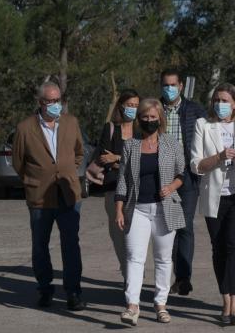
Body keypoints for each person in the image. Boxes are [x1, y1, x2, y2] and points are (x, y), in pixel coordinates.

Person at [190, 83, 235, 324]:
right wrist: (220, 157)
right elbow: (197, 165)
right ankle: (225, 299)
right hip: (215, 196)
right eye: (216, 100)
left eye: (224, 100)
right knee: (219, 248)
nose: (219, 104)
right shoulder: (203, 125)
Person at [12, 81, 86, 310]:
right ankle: (45, 289)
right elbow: (18, 163)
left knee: (71, 245)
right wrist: (35, 179)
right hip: (40, 197)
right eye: (50, 101)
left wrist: (67, 171)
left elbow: (79, 153)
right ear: (40, 102)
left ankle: (73, 292)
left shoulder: (71, 123)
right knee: (40, 245)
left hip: (68, 194)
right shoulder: (25, 128)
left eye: (58, 101)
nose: (55, 105)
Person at [115, 98, 186, 326]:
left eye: (153, 117)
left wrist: (171, 187)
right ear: (139, 119)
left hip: (165, 208)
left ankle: (160, 304)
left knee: (163, 259)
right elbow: (123, 182)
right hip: (136, 209)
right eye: (145, 117)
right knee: (134, 258)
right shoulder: (130, 145)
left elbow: (182, 173)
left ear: (160, 120)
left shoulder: (172, 144)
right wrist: (119, 210)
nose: (148, 121)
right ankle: (132, 306)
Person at [159, 68, 206, 296]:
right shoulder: (153, 109)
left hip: (188, 175)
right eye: (165, 85)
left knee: (184, 225)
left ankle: (184, 277)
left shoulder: (195, 110)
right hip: (162, 175)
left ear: (180, 86)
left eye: (172, 85)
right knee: (169, 226)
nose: (169, 89)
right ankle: (170, 276)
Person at [93, 89, 140, 283]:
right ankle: (127, 272)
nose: (133, 109)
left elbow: (143, 159)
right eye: (129, 105)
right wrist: (122, 163)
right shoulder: (111, 128)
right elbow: (103, 158)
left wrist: (118, 159)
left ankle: (134, 273)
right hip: (113, 189)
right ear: (121, 105)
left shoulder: (142, 130)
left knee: (135, 236)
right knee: (118, 235)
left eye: (136, 106)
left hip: (138, 191)